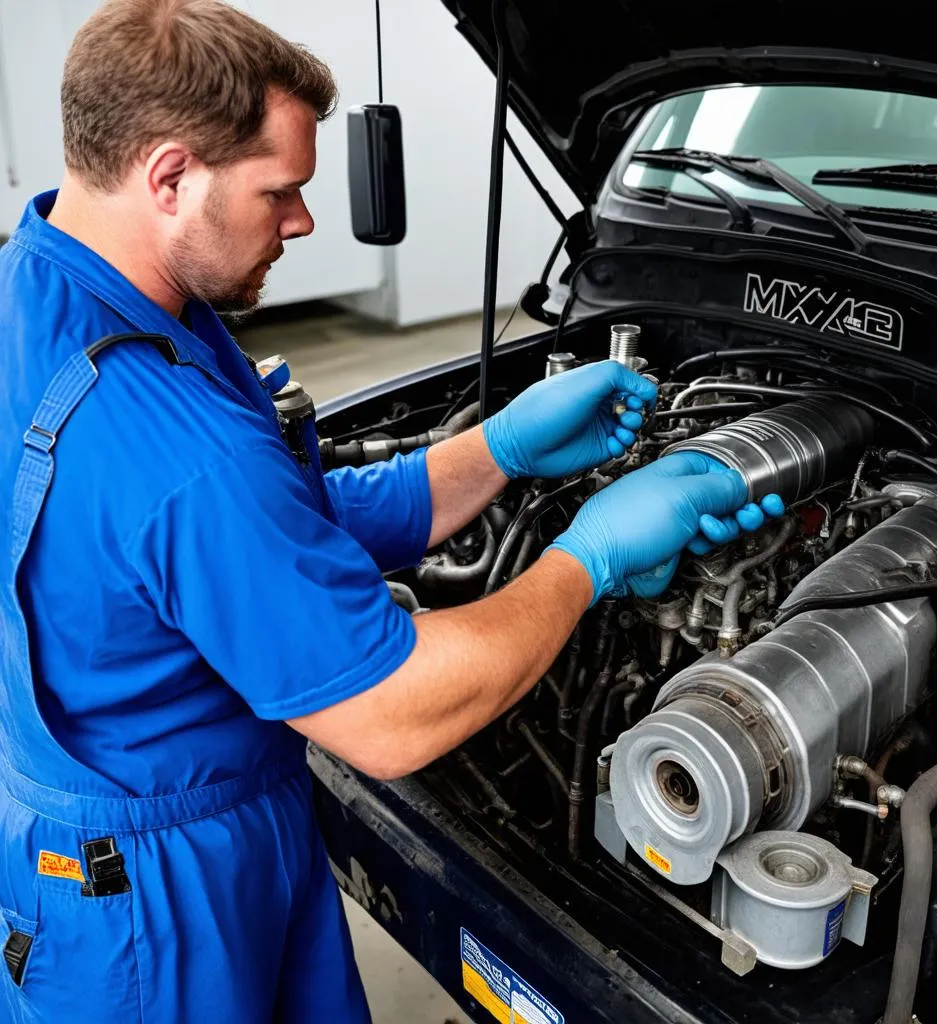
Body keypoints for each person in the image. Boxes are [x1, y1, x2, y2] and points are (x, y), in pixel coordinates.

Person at [0, 1, 782, 1021]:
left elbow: (275, 519)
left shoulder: (63, 286)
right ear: (169, 175)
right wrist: (585, 557)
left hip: (148, 800)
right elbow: (393, 715)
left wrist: (495, 448)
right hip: (162, 896)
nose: (302, 222)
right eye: (279, 192)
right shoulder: (174, 445)